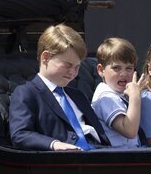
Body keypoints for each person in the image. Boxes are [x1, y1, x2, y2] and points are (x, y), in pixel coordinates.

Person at [9, 23, 110, 151]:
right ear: (45, 58)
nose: (73, 72)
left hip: (98, 154)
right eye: (67, 65)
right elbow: (20, 134)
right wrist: (54, 144)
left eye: (77, 67)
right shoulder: (26, 93)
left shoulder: (78, 95)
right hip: (64, 163)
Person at [91, 37, 144, 148]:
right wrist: (135, 98)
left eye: (129, 68)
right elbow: (130, 131)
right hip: (117, 159)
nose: (123, 74)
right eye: (116, 68)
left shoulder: (119, 93)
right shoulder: (106, 97)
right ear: (101, 70)